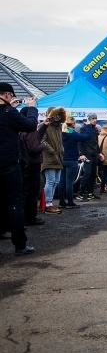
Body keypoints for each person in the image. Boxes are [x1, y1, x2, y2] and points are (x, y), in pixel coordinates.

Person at [0, 83, 38, 254]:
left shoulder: (9, 111)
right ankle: (20, 245)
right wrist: (31, 108)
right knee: (15, 203)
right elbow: (30, 126)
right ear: (7, 94)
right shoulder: (9, 113)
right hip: (8, 163)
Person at [19, 106, 46, 226]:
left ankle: (26, 217)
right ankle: (30, 217)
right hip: (33, 163)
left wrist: (44, 126)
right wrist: (44, 145)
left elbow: (34, 139)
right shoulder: (30, 129)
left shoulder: (20, 128)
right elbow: (34, 147)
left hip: (26, 163)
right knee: (32, 191)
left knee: (26, 191)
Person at [59, 117, 91, 209]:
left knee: (62, 181)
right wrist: (88, 126)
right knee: (69, 182)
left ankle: (61, 202)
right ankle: (70, 202)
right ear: (73, 124)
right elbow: (87, 137)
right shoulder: (73, 134)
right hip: (72, 160)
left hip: (62, 159)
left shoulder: (61, 133)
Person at [40, 107, 66, 214]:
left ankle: (49, 202)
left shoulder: (58, 127)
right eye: (55, 115)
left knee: (56, 181)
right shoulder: (44, 126)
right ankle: (48, 204)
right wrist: (52, 152)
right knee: (50, 181)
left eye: (59, 115)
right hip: (48, 158)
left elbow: (60, 142)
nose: (57, 117)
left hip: (58, 157)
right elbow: (42, 140)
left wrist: (61, 151)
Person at [76, 113, 104, 201]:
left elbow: (96, 143)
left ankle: (90, 192)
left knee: (93, 175)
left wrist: (99, 153)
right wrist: (81, 154)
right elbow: (80, 142)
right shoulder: (84, 128)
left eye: (95, 118)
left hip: (94, 154)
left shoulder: (95, 129)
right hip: (87, 154)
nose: (95, 120)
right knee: (87, 174)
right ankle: (81, 193)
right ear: (89, 119)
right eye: (93, 118)